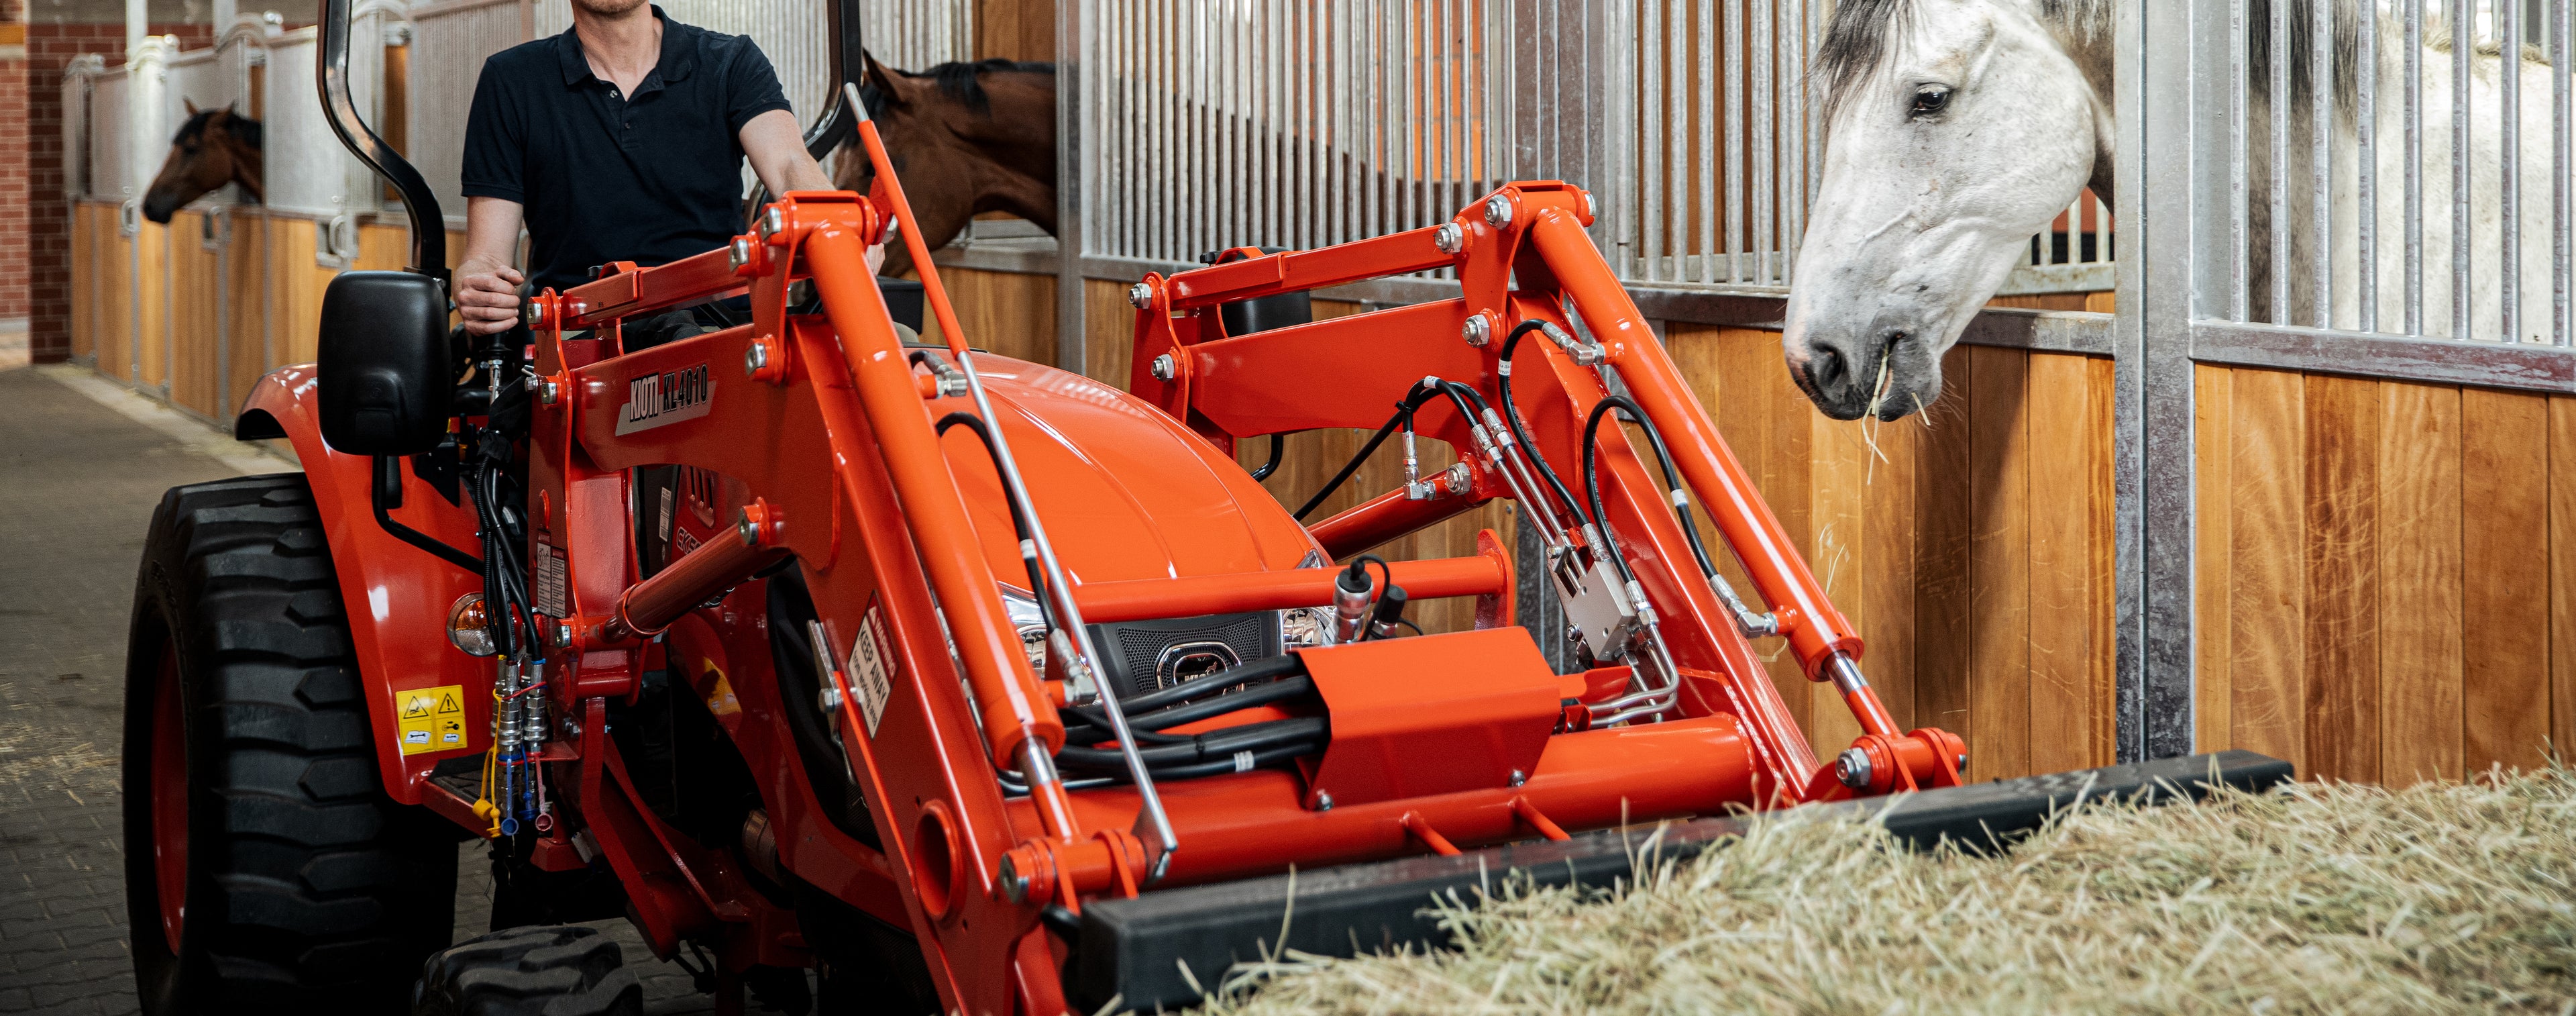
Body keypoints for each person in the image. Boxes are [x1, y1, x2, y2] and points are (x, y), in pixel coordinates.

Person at [451, 0, 862, 336]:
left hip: (723, 328)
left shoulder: (731, 62)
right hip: (582, 341)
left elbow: (790, 164)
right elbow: (486, 256)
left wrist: (836, 225)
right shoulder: (511, 81)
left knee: (901, 349)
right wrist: (477, 289)